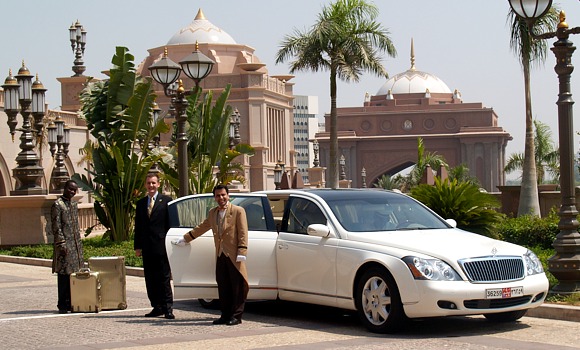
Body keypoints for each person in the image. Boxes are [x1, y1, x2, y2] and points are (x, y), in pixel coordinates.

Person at [175, 184, 249, 326]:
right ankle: (225, 315)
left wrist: (242, 251)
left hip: (234, 255)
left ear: (228, 196)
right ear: (214, 197)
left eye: (223, 195)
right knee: (223, 286)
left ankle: (236, 316)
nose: (221, 198)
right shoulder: (213, 213)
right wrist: (186, 238)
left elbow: (243, 232)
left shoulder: (238, 211)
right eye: (217, 195)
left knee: (238, 287)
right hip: (220, 254)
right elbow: (202, 227)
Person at [134, 173, 175, 319]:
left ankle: (168, 308)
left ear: (158, 184)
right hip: (147, 247)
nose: (151, 186)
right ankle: (156, 307)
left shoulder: (166, 201)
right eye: (148, 183)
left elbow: (170, 224)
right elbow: (138, 227)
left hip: (162, 246)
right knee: (150, 279)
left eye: (153, 183)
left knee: (163, 278)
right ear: (145, 185)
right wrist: (137, 247)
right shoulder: (140, 204)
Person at [51, 179, 83, 314]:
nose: (72, 192)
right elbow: (56, 226)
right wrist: (61, 244)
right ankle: (62, 304)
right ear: (65, 188)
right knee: (64, 275)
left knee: (74, 275)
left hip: (75, 245)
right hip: (64, 245)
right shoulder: (58, 205)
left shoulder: (73, 205)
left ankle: (72, 302)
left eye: (74, 190)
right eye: (70, 189)